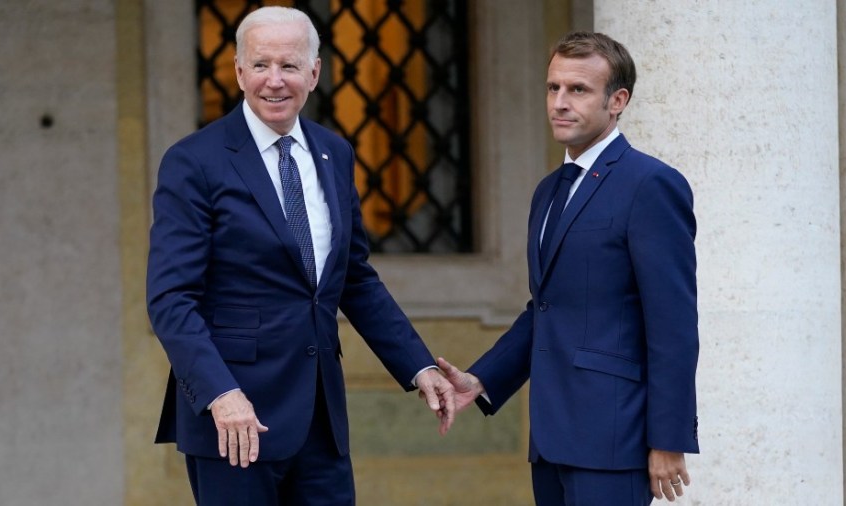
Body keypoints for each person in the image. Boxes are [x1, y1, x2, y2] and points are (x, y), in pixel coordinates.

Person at [146, 6, 456, 505]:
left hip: (319, 419)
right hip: (235, 423)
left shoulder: (335, 153)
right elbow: (170, 298)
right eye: (261, 65)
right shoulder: (194, 161)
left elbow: (353, 277)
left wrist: (419, 367)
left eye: (289, 66)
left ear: (314, 72)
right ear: (238, 70)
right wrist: (221, 395)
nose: (275, 81)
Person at [434, 32, 700, 505]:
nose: (560, 102)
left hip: (616, 438)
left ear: (618, 100)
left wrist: (668, 439)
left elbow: (673, 324)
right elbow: (548, 307)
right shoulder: (549, 190)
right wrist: (482, 379)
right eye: (553, 88)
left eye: (578, 90)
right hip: (552, 438)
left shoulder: (651, 185)